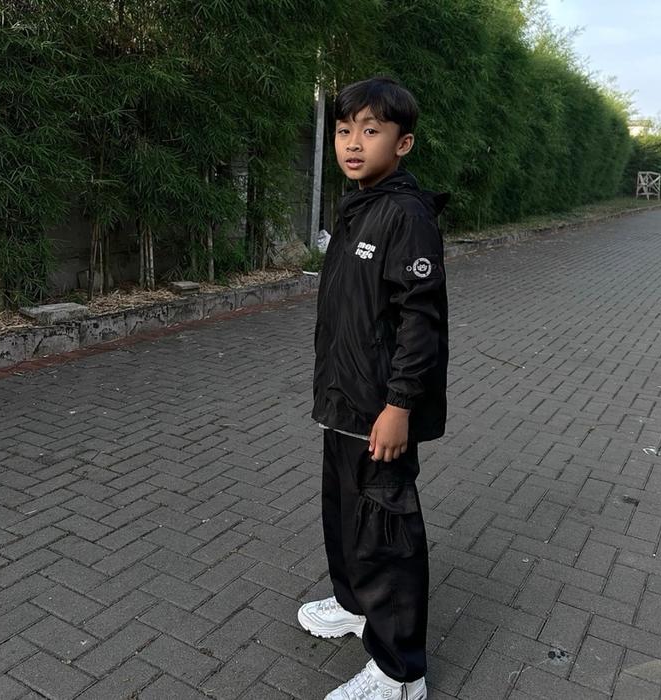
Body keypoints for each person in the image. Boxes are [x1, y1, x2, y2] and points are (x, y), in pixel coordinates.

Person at [298, 76, 449, 700]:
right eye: (343, 130)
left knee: (386, 529)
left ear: (402, 143)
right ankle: (354, 604)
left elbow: (421, 321)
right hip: (343, 398)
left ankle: (400, 672)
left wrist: (399, 406)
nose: (353, 143)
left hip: (380, 408)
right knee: (343, 513)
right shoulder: (358, 205)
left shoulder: (405, 216)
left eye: (370, 130)